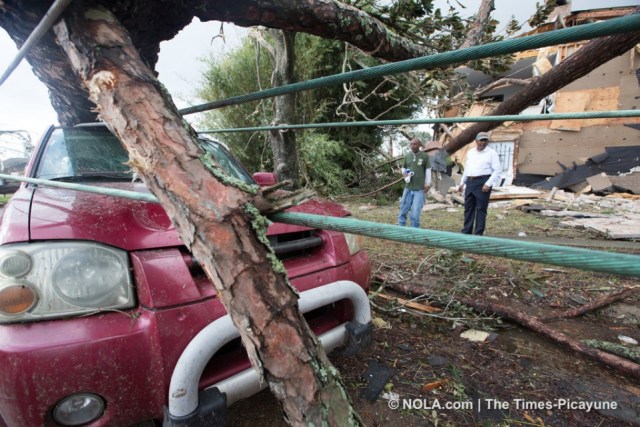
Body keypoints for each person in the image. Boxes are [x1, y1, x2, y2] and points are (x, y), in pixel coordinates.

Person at [457, 131, 502, 235]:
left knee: (481, 209)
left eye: (485, 140)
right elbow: (467, 168)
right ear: (476, 141)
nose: (483, 143)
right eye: (481, 140)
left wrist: (488, 183)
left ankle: (478, 234)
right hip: (470, 181)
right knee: (468, 208)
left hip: (483, 182)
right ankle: (466, 231)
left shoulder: (491, 153)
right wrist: (462, 183)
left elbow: (497, 170)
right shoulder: (471, 152)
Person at [398, 137, 431, 228]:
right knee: (404, 207)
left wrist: (427, 184)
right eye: (411, 144)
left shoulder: (425, 156)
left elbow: (428, 170)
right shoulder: (407, 155)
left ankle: (414, 229)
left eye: (415, 144)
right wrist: (405, 174)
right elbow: (403, 168)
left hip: (419, 189)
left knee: (416, 210)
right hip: (408, 187)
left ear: (419, 145)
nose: (412, 145)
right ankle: (401, 226)